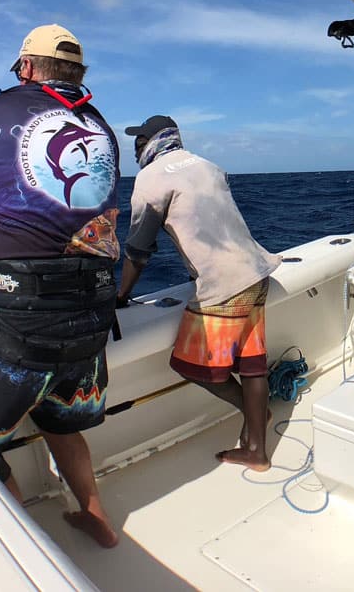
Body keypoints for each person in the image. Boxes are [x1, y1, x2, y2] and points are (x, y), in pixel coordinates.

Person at [0, 23, 122, 548]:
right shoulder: (100, 126)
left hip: (19, 320)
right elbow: (62, 212)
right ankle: (98, 519)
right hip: (91, 319)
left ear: (29, 68)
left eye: (19, 69)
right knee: (60, 422)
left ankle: (26, 554)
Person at [115, 115, 282, 471]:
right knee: (253, 366)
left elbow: (138, 250)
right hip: (257, 271)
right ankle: (257, 449)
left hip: (223, 289)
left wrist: (121, 295)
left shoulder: (149, 178)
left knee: (191, 366)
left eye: (138, 141)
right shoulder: (208, 166)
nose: (135, 148)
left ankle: (256, 418)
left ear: (150, 142)